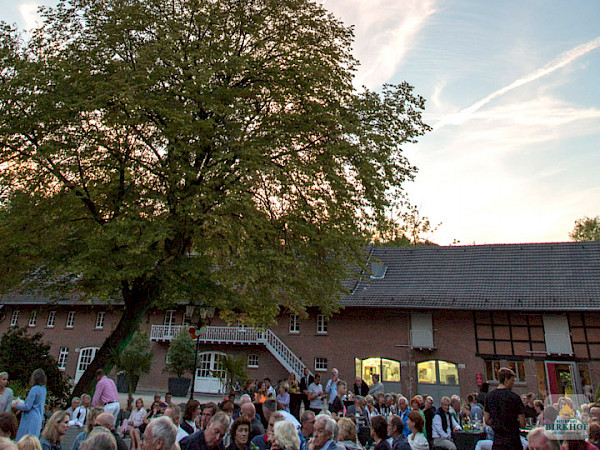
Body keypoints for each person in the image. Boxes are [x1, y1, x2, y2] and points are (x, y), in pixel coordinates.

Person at [483, 368, 525, 450]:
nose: (513, 384)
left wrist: (497, 423)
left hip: (498, 441)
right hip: (513, 441)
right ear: (506, 379)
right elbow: (522, 422)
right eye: (512, 381)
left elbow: (487, 420)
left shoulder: (489, 396)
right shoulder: (514, 397)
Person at [15, 369, 47, 440]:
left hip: (30, 418)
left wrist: (16, 406)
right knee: (33, 440)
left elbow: (27, 407)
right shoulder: (44, 389)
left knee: (24, 440)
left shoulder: (34, 389)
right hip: (38, 417)